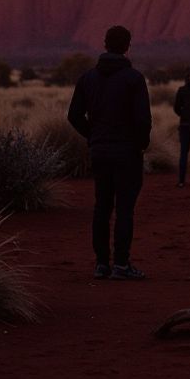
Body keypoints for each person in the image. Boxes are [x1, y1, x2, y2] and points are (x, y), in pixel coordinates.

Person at [67, 24, 152, 280]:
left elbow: (73, 115)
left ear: (105, 45)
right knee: (125, 208)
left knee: (102, 206)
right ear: (128, 47)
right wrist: (140, 143)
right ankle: (122, 265)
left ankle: (102, 265)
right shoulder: (133, 78)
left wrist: (93, 136)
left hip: (100, 152)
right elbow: (143, 120)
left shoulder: (88, 78)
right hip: (127, 152)